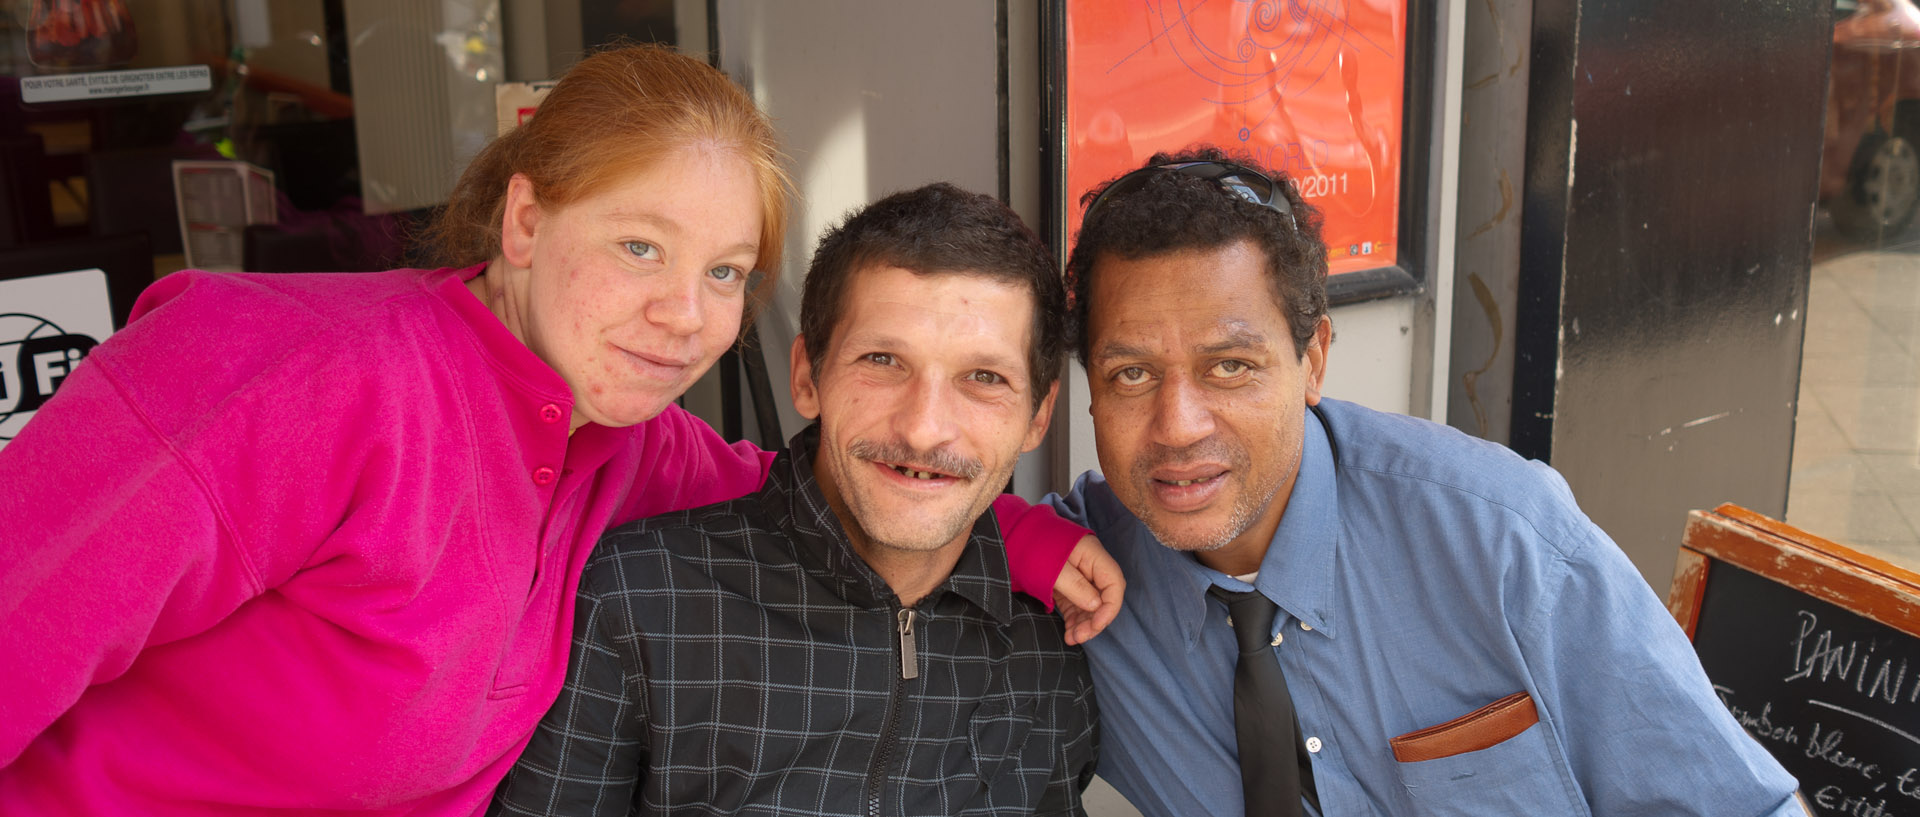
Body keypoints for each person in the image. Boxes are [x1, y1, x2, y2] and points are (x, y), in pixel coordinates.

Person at [0, 46, 1118, 816]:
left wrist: (1012, 532)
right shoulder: (291, 375)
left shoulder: (627, 440)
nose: (685, 313)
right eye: (641, 246)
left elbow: (816, 473)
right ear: (526, 220)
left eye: (725, 271)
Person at [1044, 148, 1803, 816]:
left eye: (1230, 366)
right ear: (1086, 393)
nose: (1177, 425)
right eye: (1132, 373)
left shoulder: (1505, 541)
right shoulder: (1080, 575)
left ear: (1313, 360)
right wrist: (1022, 539)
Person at [490, 182, 1099, 817]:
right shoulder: (636, 603)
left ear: (1037, 416)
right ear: (807, 377)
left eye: (984, 378)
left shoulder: (1051, 640)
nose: (924, 428)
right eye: (883, 360)